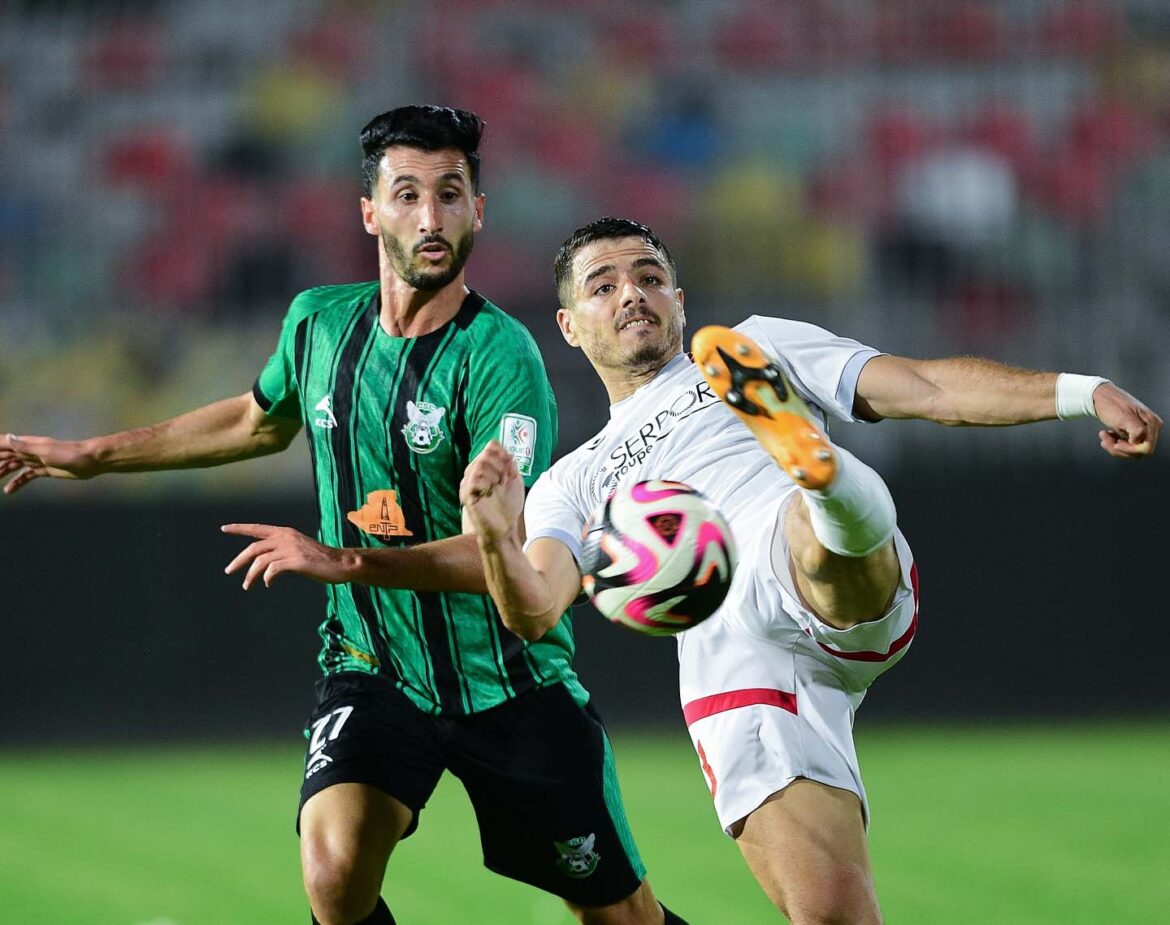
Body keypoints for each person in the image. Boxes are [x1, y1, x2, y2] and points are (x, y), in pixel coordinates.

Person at [0, 119, 689, 925]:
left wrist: (344, 560)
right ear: (370, 213)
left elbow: (499, 558)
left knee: (621, 917)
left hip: (510, 680)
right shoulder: (320, 324)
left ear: (478, 212)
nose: (430, 218)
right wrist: (91, 455)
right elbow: (255, 422)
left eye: (450, 196)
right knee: (332, 870)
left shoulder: (502, 358)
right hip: (374, 668)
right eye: (408, 196)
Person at [458, 216, 1162, 924]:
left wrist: (1081, 390)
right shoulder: (570, 481)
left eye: (648, 277)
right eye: (602, 286)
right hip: (732, 654)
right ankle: (835, 494)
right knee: (830, 915)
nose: (632, 294)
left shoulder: (751, 347)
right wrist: (494, 540)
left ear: (678, 294)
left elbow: (926, 388)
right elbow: (537, 605)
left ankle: (828, 488)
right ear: (570, 325)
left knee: (798, 526)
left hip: (785, 542)